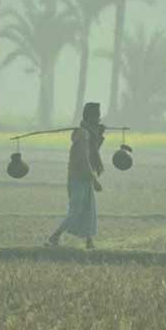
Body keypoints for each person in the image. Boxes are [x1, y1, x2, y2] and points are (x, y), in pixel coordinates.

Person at [46, 102, 105, 249]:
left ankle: (89, 241)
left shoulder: (88, 133)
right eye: (97, 116)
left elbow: (93, 151)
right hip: (79, 178)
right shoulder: (83, 134)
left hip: (83, 177)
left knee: (88, 209)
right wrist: (94, 180)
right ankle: (55, 236)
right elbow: (84, 159)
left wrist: (99, 135)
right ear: (90, 117)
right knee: (76, 211)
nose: (99, 119)